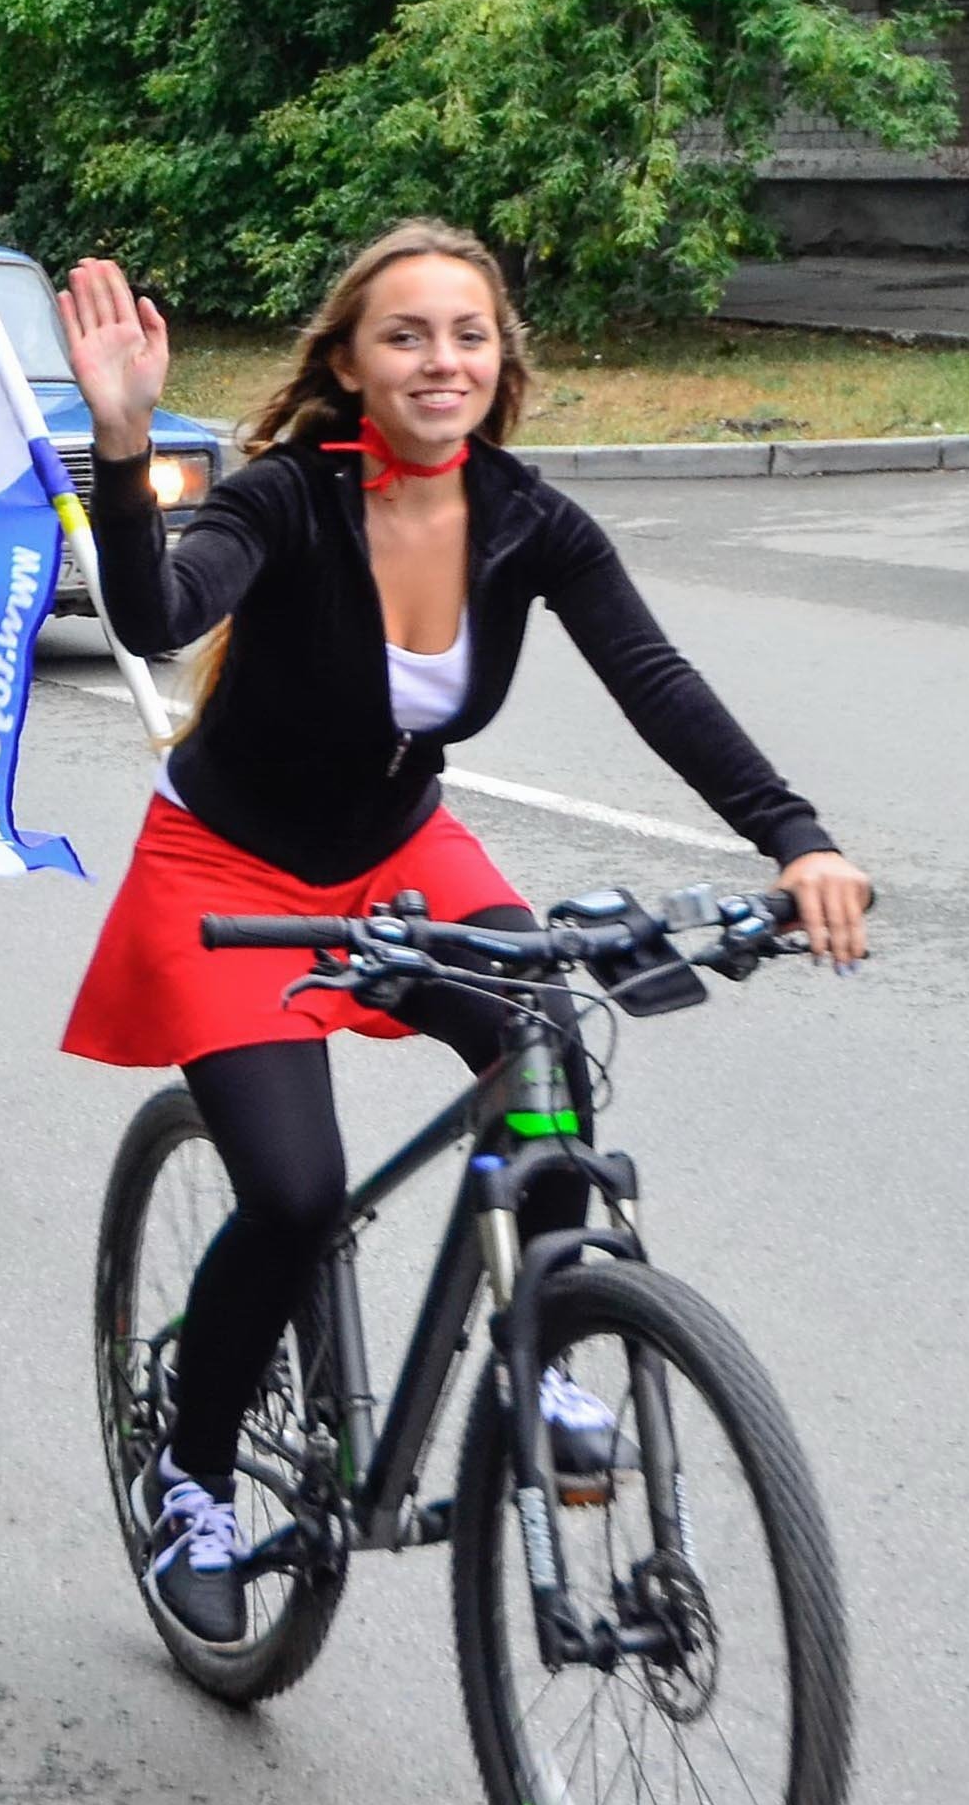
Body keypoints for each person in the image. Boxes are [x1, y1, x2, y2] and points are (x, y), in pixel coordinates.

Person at [54, 220, 872, 1648]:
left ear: (502, 363)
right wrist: (122, 448)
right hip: (224, 865)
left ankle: (543, 1341)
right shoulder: (287, 498)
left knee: (544, 1044)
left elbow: (654, 681)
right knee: (297, 1199)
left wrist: (794, 836)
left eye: (467, 336)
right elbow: (153, 608)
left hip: (396, 850)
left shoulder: (525, 518)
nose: (441, 361)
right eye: (406, 336)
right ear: (351, 367)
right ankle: (190, 1476)